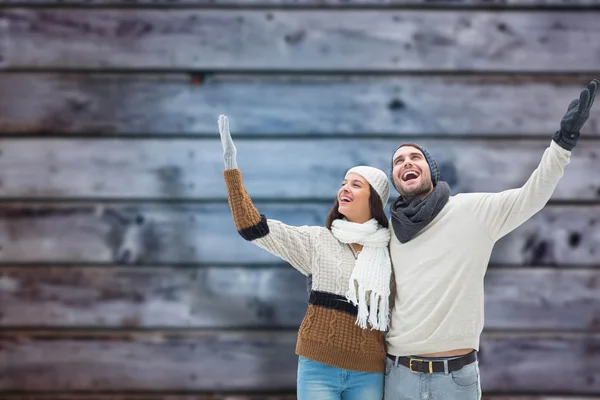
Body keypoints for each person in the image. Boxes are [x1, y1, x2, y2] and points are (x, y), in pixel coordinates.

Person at [383, 79, 599, 400]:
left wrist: (563, 143)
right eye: (398, 162)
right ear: (396, 180)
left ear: (431, 171)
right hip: (398, 375)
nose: (406, 163)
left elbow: (532, 196)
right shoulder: (387, 233)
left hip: (454, 379)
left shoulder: (471, 211)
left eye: (415, 157)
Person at [217, 114, 393, 400]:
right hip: (318, 367)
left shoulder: (390, 252)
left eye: (356, 185)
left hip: (369, 371)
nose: (344, 189)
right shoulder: (317, 240)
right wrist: (231, 168)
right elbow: (253, 228)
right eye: (343, 183)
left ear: (375, 199)